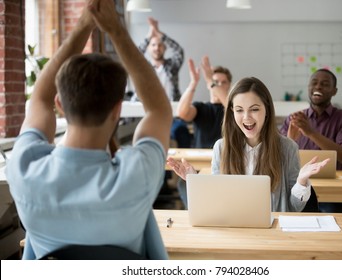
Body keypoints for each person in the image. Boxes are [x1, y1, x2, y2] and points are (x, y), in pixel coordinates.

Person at [6, 0, 172, 260]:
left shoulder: (25, 170)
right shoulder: (137, 175)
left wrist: (83, 25)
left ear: (60, 104)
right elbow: (159, 111)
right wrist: (116, 31)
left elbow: (39, 99)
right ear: (118, 109)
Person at [167, 77, 330, 212]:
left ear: (266, 110)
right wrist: (194, 180)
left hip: (273, 236)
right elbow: (217, 202)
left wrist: (301, 181)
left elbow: (294, 208)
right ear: (231, 112)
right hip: (235, 230)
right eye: (239, 110)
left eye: (254, 109)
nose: (247, 117)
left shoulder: (287, 148)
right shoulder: (221, 148)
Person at [279, 68, 342, 213]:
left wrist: (310, 132)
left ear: (334, 91)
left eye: (324, 84)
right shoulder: (294, 118)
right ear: (309, 87)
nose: (318, 87)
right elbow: (280, 157)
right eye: (314, 83)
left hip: (333, 192)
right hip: (300, 187)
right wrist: (290, 140)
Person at [138, 17, 191, 148]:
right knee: (155, 142)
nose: (157, 48)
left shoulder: (171, 66)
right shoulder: (144, 69)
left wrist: (160, 33)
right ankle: (163, 169)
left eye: (160, 44)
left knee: (181, 132)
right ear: (149, 48)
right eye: (153, 45)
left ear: (165, 47)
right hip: (151, 116)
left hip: (173, 115)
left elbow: (179, 51)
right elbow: (135, 55)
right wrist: (149, 35)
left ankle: (187, 166)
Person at [177, 56, 231, 149]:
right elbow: (182, 113)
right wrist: (193, 83)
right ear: (209, 85)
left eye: (224, 82)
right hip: (201, 158)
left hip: (225, 158)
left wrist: (211, 80)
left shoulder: (234, 108)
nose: (219, 85)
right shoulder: (200, 107)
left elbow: (232, 107)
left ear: (229, 85)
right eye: (216, 82)